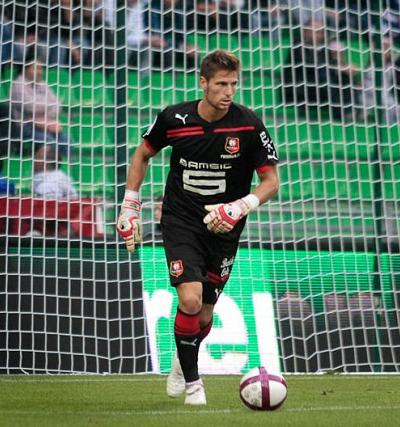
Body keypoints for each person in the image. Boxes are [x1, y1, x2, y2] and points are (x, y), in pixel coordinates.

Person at [116, 50, 280, 405]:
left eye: (234, 84)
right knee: (189, 299)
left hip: (225, 228)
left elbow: (270, 182)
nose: (229, 91)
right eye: (221, 84)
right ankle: (194, 383)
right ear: (203, 83)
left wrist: (239, 207)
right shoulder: (174, 118)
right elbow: (143, 153)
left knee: (205, 312)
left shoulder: (249, 125)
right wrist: (130, 203)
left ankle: (181, 359)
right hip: (181, 220)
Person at [9, 58, 71, 156]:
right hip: (24, 127)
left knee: (66, 141)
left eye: (41, 69)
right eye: (35, 68)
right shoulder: (18, 85)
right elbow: (30, 107)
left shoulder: (42, 84)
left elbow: (58, 106)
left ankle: (63, 169)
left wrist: (41, 114)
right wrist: (47, 106)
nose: (39, 72)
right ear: (25, 69)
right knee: (49, 141)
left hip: (45, 125)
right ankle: (49, 169)